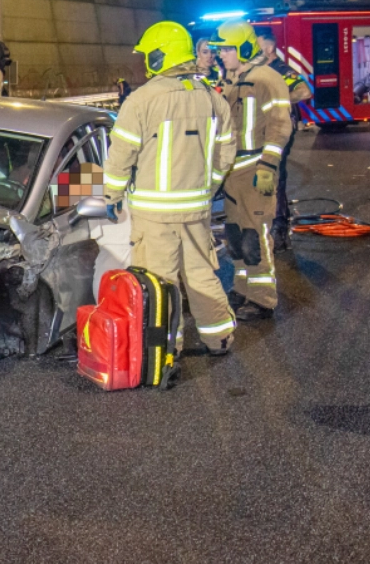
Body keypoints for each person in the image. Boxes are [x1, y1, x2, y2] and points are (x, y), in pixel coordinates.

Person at [103, 21, 238, 354]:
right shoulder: (211, 97)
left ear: (160, 55)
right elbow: (226, 151)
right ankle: (219, 338)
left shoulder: (141, 100)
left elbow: (121, 155)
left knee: (160, 282)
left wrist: (112, 195)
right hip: (197, 209)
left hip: (153, 214)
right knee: (200, 273)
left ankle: (165, 348)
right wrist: (208, 186)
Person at [208, 21, 293, 321]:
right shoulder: (233, 79)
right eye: (219, 50)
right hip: (234, 173)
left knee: (255, 237)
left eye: (226, 49)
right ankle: (242, 287)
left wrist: (268, 165)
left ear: (244, 48)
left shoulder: (266, 79)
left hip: (256, 169)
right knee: (236, 235)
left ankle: (262, 299)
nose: (221, 55)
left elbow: (281, 124)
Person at [254, 28, 313, 252]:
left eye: (258, 45)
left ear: (269, 48)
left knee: (275, 176)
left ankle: (279, 228)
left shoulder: (280, 70)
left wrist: (278, 101)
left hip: (279, 131)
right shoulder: (256, 72)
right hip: (261, 132)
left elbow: (304, 91)